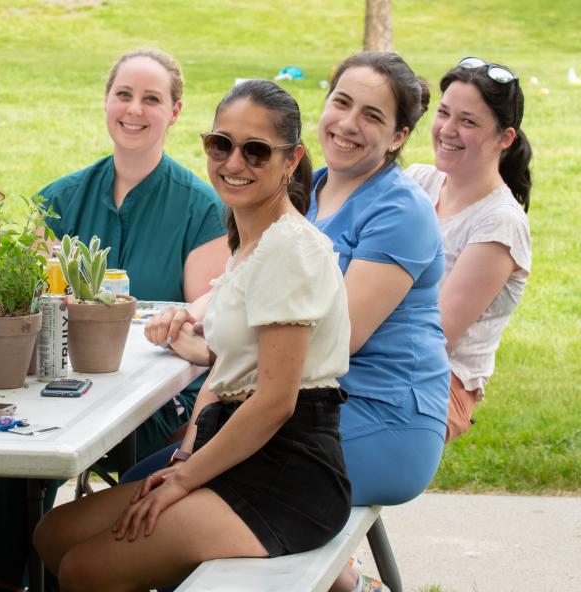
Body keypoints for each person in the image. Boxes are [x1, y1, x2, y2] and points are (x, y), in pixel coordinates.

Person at [143, 52, 449, 592]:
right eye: (342, 102)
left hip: (380, 414)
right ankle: (344, 583)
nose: (349, 123)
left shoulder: (401, 210)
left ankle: (345, 583)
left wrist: (214, 353)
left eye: (373, 116)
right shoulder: (310, 189)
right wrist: (192, 316)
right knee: (148, 479)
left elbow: (341, 337)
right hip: (302, 401)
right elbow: (251, 290)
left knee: (171, 503)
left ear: (400, 137)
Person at [33, 79, 352, 592]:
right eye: (221, 144)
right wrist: (185, 457)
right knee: (55, 533)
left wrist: (182, 479)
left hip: (287, 474)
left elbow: (275, 403)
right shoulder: (251, 242)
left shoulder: (289, 249)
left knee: (85, 570)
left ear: (291, 161)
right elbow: (227, 371)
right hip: (234, 446)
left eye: (256, 151)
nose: (233, 163)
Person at [0, 49, 229, 591]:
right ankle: (11, 581)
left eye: (152, 99)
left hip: (155, 397)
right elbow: (27, 303)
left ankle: (14, 582)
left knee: (37, 441)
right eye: (124, 95)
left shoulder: (201, 206)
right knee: (13, 439)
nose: (135, 110)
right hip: (61, 381)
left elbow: (206, 317)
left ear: (175, 111)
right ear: (107, 101)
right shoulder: (60, 199)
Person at [406, 57, 532, 442]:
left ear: (505, 139)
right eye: (444, 113)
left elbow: (434, 334)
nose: (447, 129)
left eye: (469, 121)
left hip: (437, 385)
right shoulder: (418, 181)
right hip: (382, 358)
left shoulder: (500, 224)